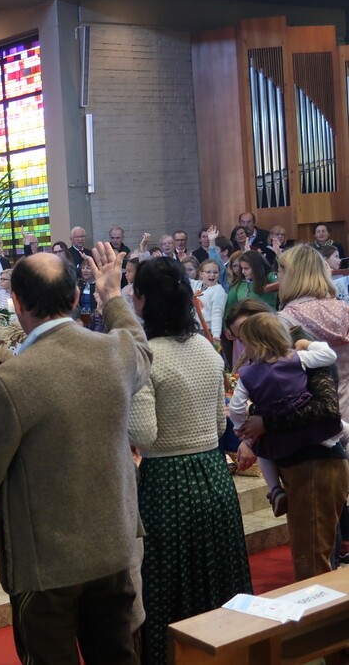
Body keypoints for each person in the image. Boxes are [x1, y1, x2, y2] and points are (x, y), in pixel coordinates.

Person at [0, 243, 151, 665]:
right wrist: (112, 296)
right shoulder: (116, 353)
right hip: (112, 548)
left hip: (46, 566)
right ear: (75, 297)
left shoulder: (11, 380)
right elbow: (141, 347)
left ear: (16, 302)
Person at [119, 258, 251, 665]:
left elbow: (144, 435)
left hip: (168, 482)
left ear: (142, 301)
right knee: (219, 580)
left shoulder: (147, 356)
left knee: (169, 587)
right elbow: (219, 424)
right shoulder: (207, 350)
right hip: (213, 476)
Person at [226, 298, 349, 580]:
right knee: (309, 550)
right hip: (299, 461)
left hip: (317, 459)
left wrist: (260, 423)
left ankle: (323, 609)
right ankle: (275, 490)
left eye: (246, 333)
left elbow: (326, 409)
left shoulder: (298, 354)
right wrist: (253, 427)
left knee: (314, 556)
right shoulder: (289, 358)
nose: (244, 343)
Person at [228, 313, 343, 517]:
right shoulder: (297, 358)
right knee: (341, 429)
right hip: (311, 431)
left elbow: (236, 407)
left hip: (280, 440)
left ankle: (274, 489)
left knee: (263, 451)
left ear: (253, 344)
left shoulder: (248, 375)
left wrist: (240, 427)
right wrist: (309, 344)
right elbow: (329, 356)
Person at [275, 244, 349, 421]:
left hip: (310, 417)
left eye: (280, 272)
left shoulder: (284, 320)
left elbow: (280, 380)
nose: (278, 277)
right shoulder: (344, 309)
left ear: (289, 275)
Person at [194, 260, 226, 344]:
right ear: (201, 274)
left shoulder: (218, 291)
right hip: (193, 328)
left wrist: (216, 334)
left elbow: (217, 314)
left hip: (207, 331)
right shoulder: (197, 285)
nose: (212, 275)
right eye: (208, 272)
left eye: (215, 272)